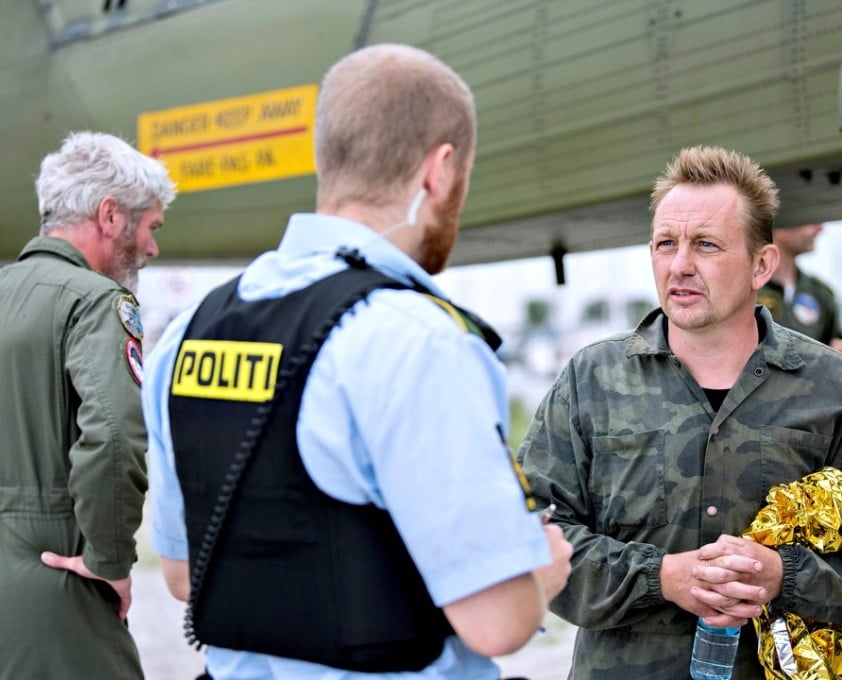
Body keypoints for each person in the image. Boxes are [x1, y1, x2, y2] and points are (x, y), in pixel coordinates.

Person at [142, 43, 573, 679]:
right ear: (440, 170)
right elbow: (497, 621)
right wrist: (544, 567)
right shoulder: (419, 340)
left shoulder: (188, 332)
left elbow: (183, 574)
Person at [517, 145, 842, 679]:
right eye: (666, 244)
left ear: (762, 265)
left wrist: (785, 575)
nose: (680, 265)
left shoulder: (831, 386)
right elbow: (531, 535)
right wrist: (660, 577)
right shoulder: (592, 380)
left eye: (706, 245)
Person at [0, 131, 175, 679]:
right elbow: (115, 436)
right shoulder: (98, 301)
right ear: (110, 216)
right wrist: (110, 560)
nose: (152, 248)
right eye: (150, 227)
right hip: (58, 585)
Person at [756, 222, 842, 359]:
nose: (820, 229)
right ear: (782, 220)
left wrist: (841, 355)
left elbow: (836, 349)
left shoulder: (821, 293)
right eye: (810, 220)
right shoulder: (745, 290)